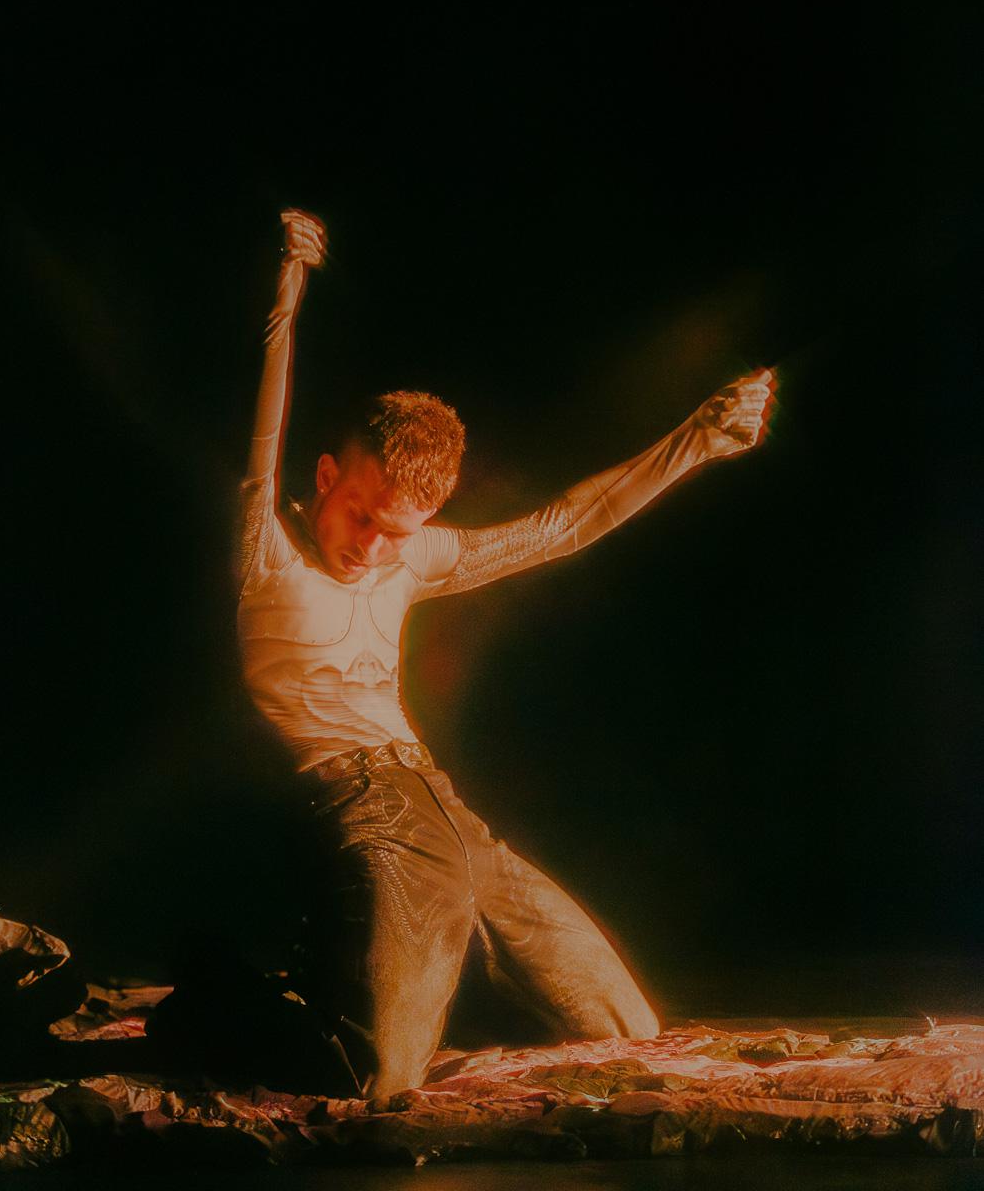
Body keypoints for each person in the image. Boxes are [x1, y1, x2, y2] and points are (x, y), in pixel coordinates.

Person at [237, 207, 774, 1098]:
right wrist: (287, 288)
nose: (370, 545)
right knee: (376, 1081)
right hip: (367, 810)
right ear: (328, 475)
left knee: (626, 1030)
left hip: (444, 810)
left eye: (395, 531)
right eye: (360, 513)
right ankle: (232, 996)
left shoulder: (412, 557)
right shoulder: (266, 549)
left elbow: (563, 525)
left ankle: (381, 973)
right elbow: (265, 414)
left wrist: (696, 443)